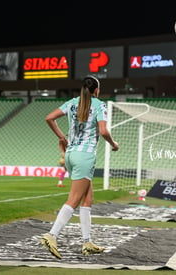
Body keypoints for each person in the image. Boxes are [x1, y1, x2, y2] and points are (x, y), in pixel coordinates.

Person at [41, 75, 119, 259]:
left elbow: (49, 118)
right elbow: (103, 131)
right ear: (96, 90)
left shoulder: (72, 103)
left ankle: (87, 242)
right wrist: (113, 144)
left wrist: (62, 137)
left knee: (88, 199)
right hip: (84, 156)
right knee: (74, 200)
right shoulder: (99, 105)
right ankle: (51, 236)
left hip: (70, 155)